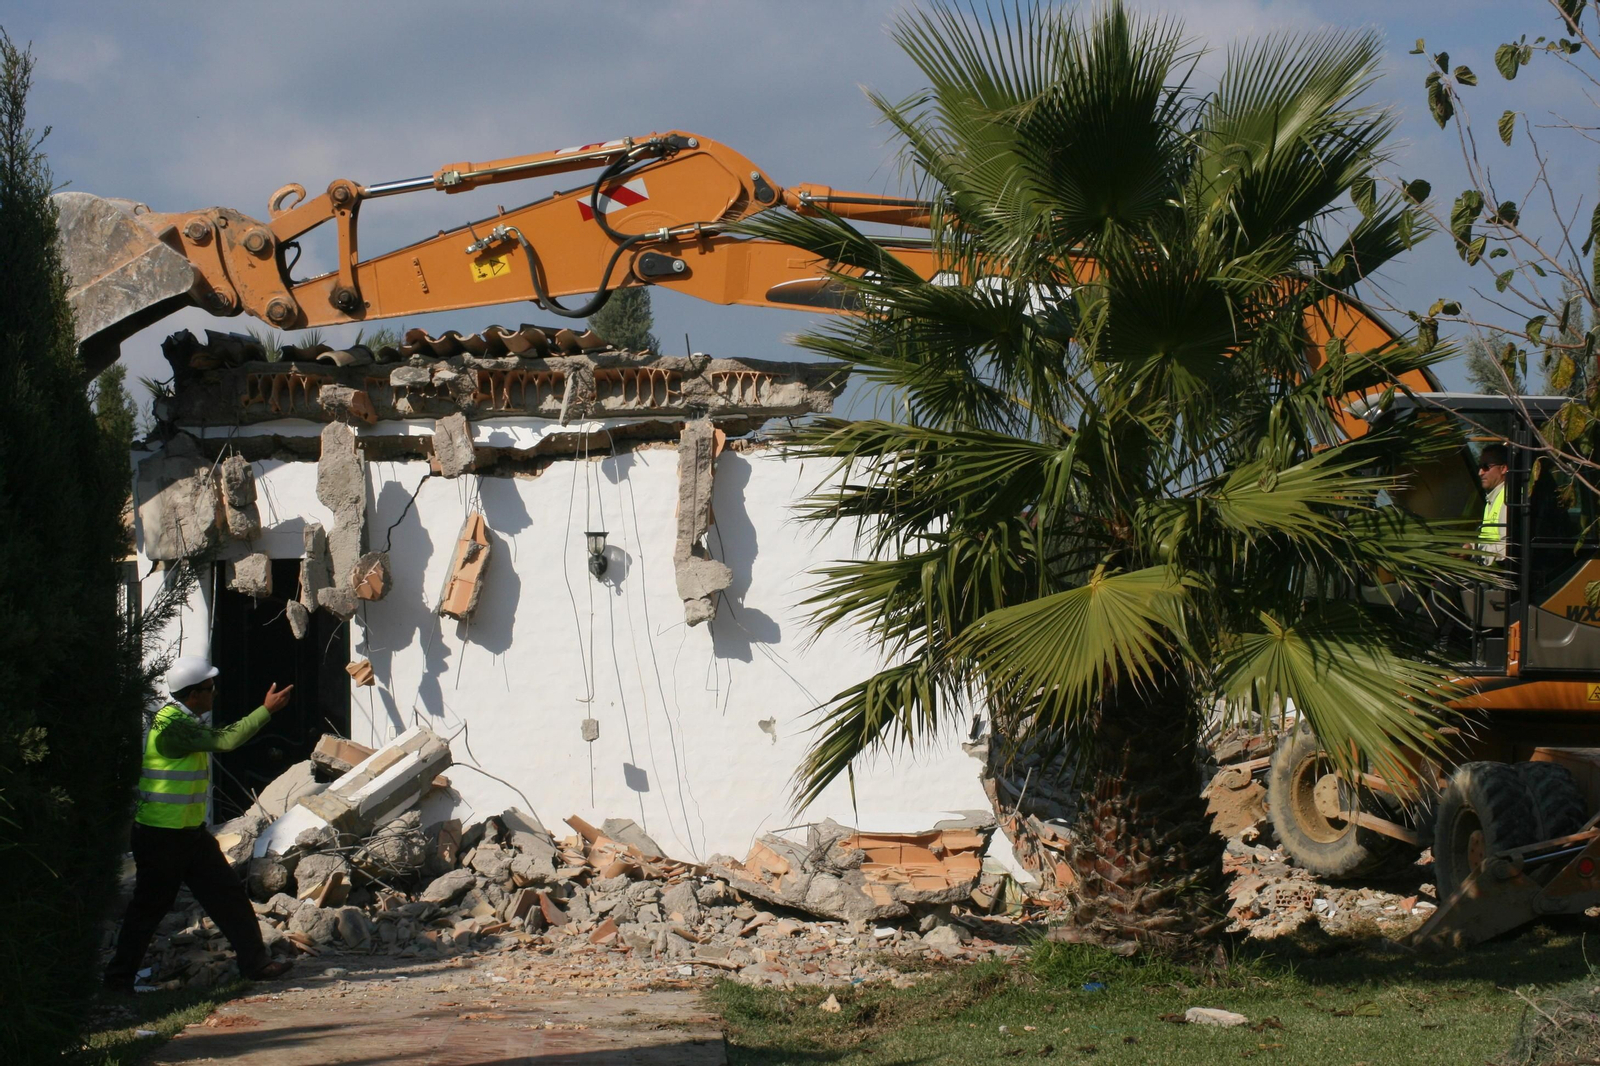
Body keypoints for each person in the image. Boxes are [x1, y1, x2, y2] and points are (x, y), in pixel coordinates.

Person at [103, 657, 297, 993]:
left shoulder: (183, 719)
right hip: (161, 837)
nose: (215, 693)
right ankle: (118, 981)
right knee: (149, 908)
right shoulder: (174, 726)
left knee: (227, 896)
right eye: (209, 689)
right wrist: (265, 710)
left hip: (189, 835)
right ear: (193, 695)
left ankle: (256, 964)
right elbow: (226, 741)